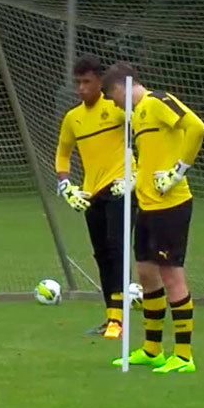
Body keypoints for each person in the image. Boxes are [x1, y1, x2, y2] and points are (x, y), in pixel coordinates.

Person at [101, 62, 204, 374]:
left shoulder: (157, 102)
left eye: (113, 98)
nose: (115, 105)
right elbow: (150, 156)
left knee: (172, 275)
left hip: (171, 206)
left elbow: (196, 128)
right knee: (145, 273)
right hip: (147, 206)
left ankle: (184, 356)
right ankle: (152, 349)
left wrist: (178, 171)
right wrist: (134, 179)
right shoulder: (138, 117)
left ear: (120, 87)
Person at [54, 54, 130, 340]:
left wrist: (135, 174)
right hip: (91, 192)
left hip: (121, 188)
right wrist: (66, 185)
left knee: (116, 249)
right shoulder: (73, 118)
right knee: (101, 254)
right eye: (78, 83)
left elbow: (146, 134)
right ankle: (111, 316)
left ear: (100, 82)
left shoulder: (117, 108)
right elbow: (62, 154)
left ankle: (118, 320)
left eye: (87, 82)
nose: (81, 88)